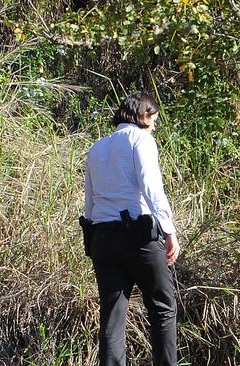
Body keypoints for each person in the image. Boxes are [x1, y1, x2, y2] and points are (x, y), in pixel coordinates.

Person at [83, 91, 180, 365]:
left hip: (102, 237)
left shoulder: (97, 147)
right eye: (154, 121)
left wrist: (94, 237)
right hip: (139, 236)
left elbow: (90, 201)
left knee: (112, 315)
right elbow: (152, 190)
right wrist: (169, 232)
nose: (154, 127)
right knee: (163, 308)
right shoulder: (141, 140)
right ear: (144, 116)